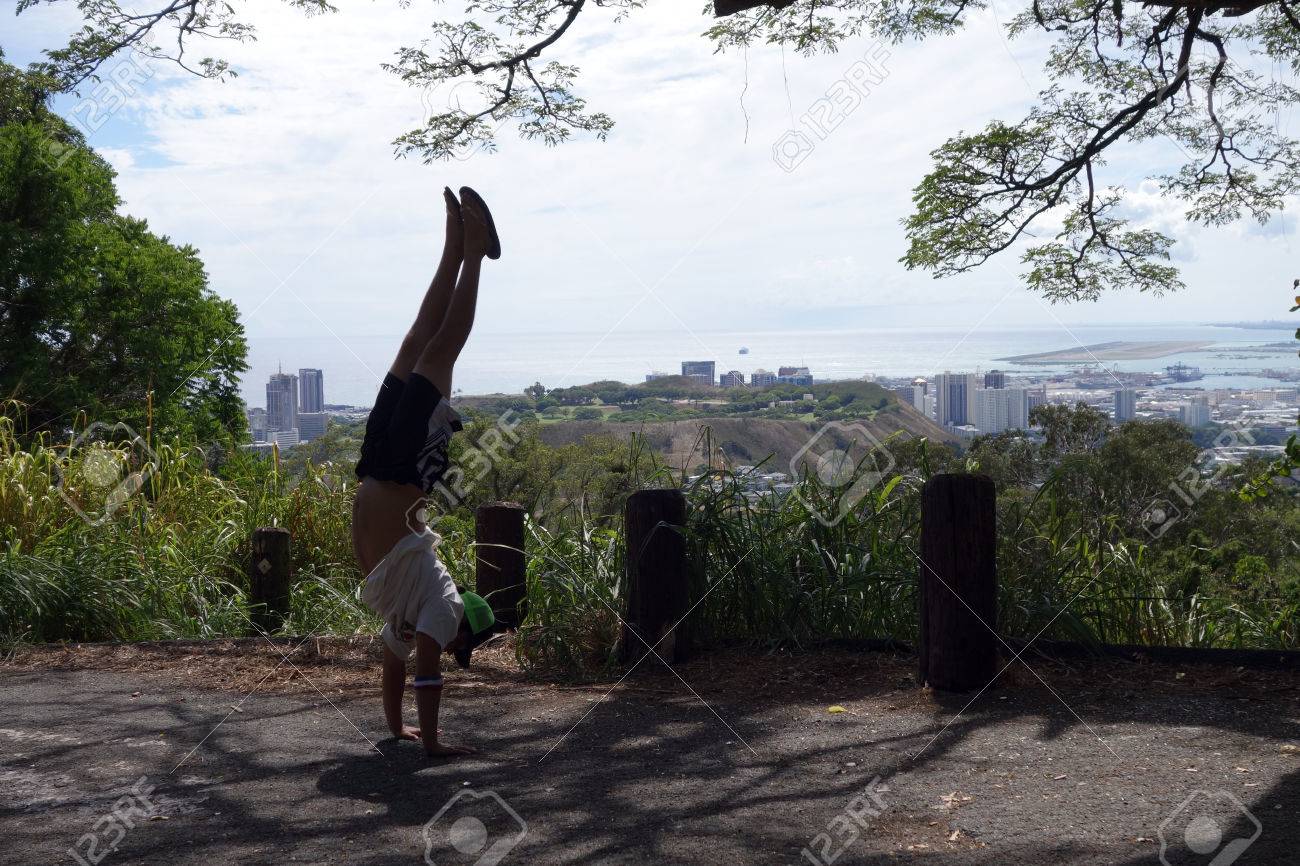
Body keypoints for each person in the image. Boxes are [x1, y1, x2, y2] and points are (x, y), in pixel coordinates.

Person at [351, 185, 502, 759]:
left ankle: (455, 246)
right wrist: (433, 742)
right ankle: (474, 251)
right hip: (397, 473)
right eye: (458, 642)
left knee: (418, 343)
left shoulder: (407, 615)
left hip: (380, 471)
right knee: (439, 353)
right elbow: (425, 674)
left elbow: (395, 668)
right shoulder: (440, 606)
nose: (443, 644)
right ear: (463, 625)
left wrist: (396, 730)